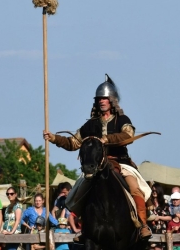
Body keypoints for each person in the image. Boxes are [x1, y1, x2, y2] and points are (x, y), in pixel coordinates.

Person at [43, 74, 152, 240]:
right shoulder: (91, 124)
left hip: (120, 163)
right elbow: (73, 143)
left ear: (112, 100)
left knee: (135, 188)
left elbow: (128, 135)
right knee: (77, 192)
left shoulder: (122, 119)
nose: (101, 101)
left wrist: (107, 139)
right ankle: (85, 228)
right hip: (96, 167)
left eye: (105, 98)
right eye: (99, 98)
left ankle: (143, 225)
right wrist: (54, 138)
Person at [147, 182, 171, 250]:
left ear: (159, 191)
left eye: (156, 190)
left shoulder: (164, 202)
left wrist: (159, 217)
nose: (154, 192)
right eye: (153, 190)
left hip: (161, 230)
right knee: (151, 248)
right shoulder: (149, 202)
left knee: (158, 248)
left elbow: (169, 217)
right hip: (150, 229)